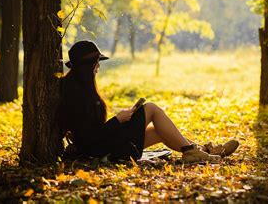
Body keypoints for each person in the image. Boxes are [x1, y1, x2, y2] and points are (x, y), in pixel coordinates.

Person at [59, 40, 239, 163]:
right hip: (102, 152)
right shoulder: (76, 96)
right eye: (97, 63)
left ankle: (203, 151)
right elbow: (89, 138)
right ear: (88, 66)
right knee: (151, 108)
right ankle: (195, 152)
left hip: (106, 145)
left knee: (160, 131)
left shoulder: (79, 87)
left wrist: (121, 119)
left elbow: (93, 130)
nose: (98, 67)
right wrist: (118, 120)